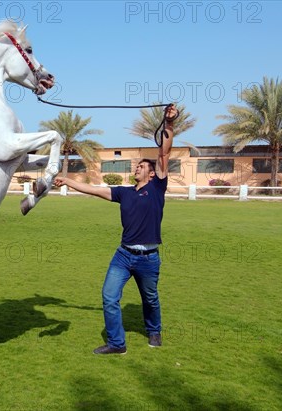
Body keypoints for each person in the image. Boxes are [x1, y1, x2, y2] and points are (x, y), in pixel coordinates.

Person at [54, 105, 178, 355]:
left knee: (150, 299)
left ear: (153, 174)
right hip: (123, 255)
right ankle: (117, 343)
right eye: (137, 166)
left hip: (149, 258)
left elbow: (164, 154)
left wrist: (169, 124)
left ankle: (154, 329)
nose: (137, 168)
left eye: (141, 167)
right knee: (109, 297)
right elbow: (95, 190)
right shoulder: (124, 192)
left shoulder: (157, 188)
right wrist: (68, 181)